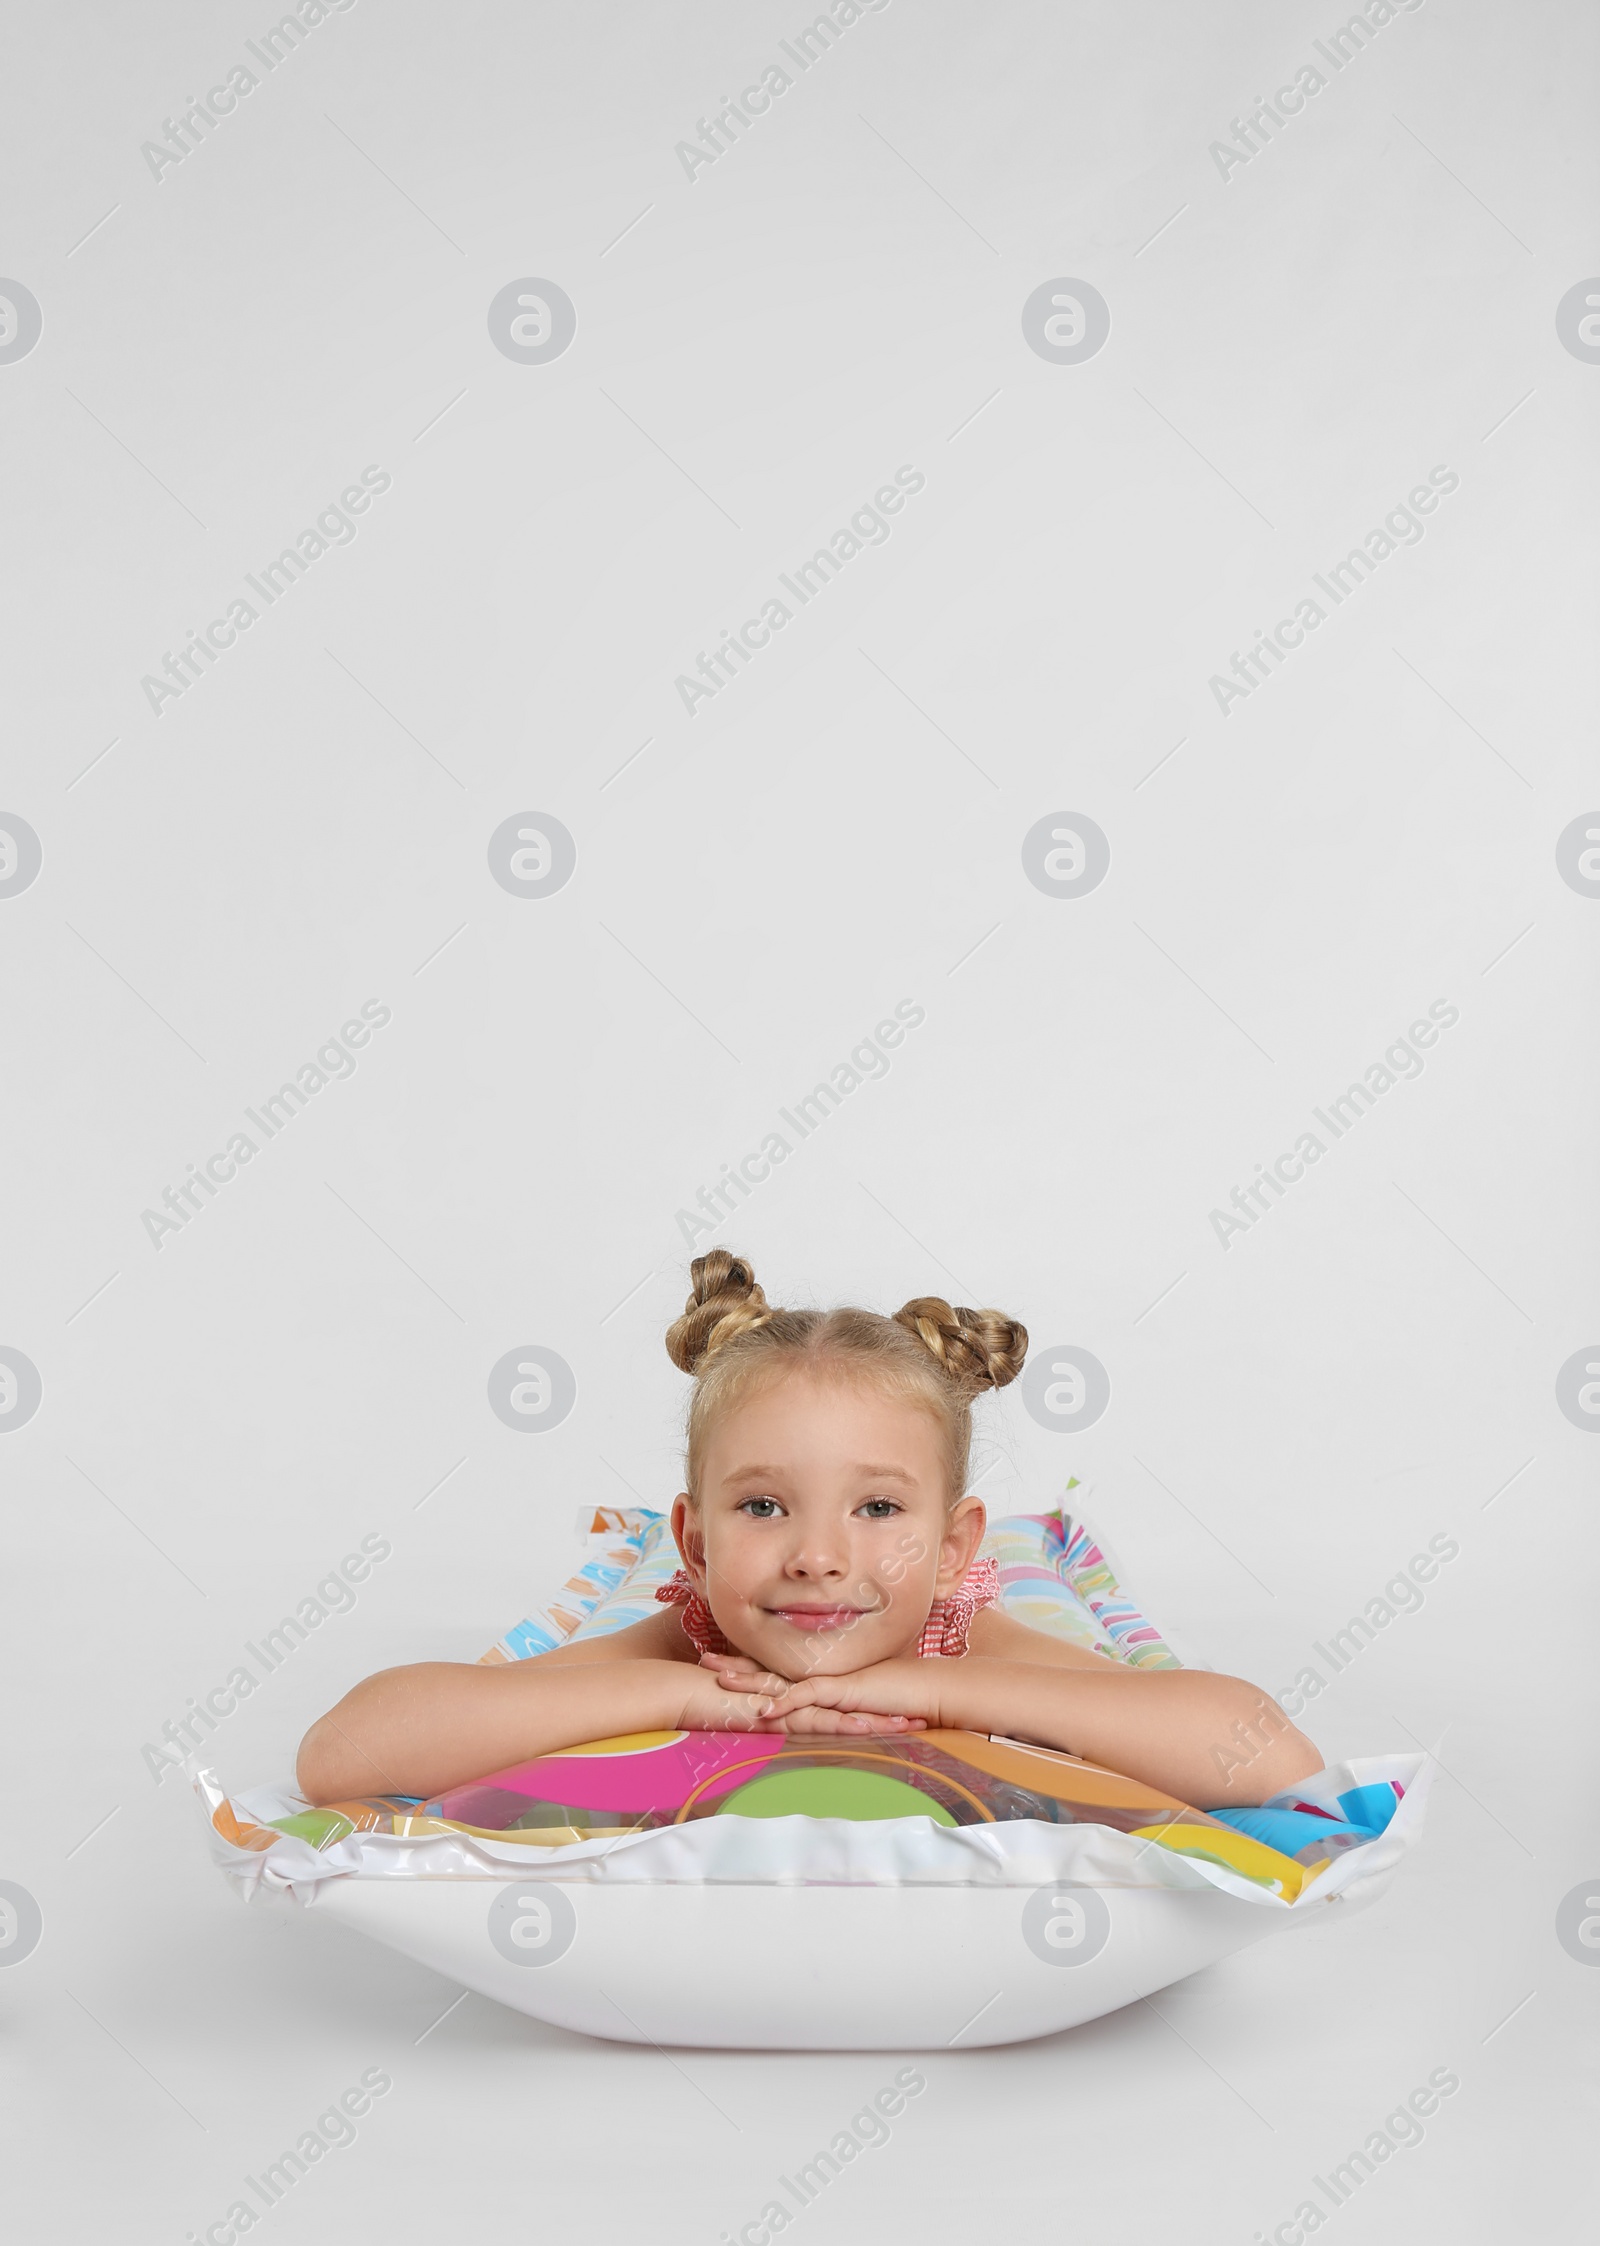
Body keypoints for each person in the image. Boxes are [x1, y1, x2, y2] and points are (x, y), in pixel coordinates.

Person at [297, 1250, 1320, 1809]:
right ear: (692, 1540)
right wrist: (679, 1690)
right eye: (762, 1505)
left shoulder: (949, 1636)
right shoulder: (698, 1640)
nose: (818, 1555)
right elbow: (343, 1751)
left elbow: (1268, 1753)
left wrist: (933, 1688)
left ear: (956, 1546)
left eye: (877, 1507)